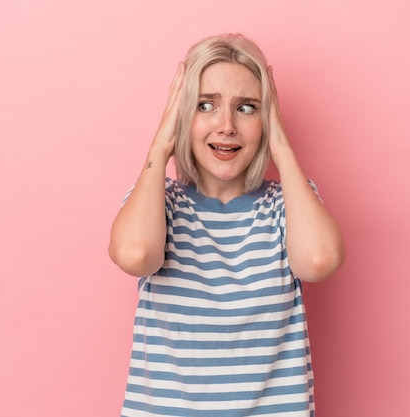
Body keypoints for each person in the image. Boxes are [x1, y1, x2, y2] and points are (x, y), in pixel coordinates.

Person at [109, 33, 345, 417]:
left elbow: (319, 261)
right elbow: (136, 255)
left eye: (247, 108)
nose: (226, 126)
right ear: (182, 116)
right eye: (205, 105)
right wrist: (160, 146)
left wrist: (282, 148)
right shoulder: (159, 201)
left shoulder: (286, 204)